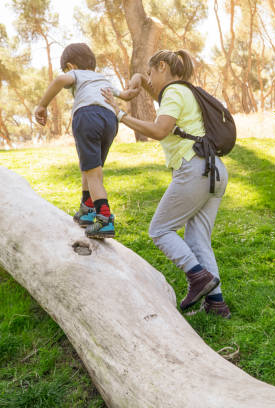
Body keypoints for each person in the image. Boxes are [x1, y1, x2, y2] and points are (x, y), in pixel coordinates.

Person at [101, 49, 231, 318]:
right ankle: (216, 305)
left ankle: (198, 277)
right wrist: (139, 75)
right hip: (215, 170)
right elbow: (155, 92)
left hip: (194, 168)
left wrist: (120, 115)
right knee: (198, 239)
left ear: (162, 66)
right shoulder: (186, 91)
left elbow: (160, 131)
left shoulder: (174, 93)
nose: (150, 79)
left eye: (151, 72)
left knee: (160, 230)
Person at [34, 43, 137, 239]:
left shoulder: (76, 74)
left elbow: (60, 80)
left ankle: (104, 219)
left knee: (93, 173)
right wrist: (135, 86)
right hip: (110, 120)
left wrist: (42, 105)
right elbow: (125, 95)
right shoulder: (102, 79)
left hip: (87, 116)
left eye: (67, 69)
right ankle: (87, 208)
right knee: (92, 168)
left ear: (71, 66)